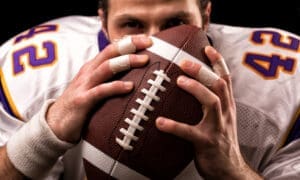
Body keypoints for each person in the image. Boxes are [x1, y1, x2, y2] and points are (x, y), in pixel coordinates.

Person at [0, 0, 299, 179]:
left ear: (206, 17)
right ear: (102, 22)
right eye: (132, 24)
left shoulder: (283, 81)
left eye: (176, 22)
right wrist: (45, 133)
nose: (159, 45)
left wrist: (232, 171)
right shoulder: (37, 73)